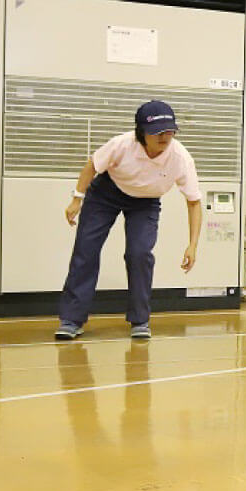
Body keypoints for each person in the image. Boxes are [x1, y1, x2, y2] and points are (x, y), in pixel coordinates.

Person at [54, 100, 203, 340]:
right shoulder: (122, 144)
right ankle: (71, 319)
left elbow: (194, 202)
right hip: (106, 193)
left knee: (140, 253)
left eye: (169, 131)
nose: (165, 137)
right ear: (141, 132)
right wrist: (77, 198)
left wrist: (193, 245)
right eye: (157, 132)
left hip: (146, 202)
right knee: (86, 250)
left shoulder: (180, 157)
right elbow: (92, 165)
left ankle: (140, 320)